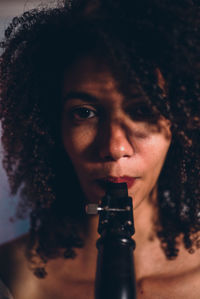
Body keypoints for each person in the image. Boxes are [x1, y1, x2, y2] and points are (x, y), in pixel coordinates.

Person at [0, 0, 199, 298]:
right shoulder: (11, 278)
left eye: (143, 110)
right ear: (53, 125)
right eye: (84, 112)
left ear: (180, 124)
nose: (114, 148)